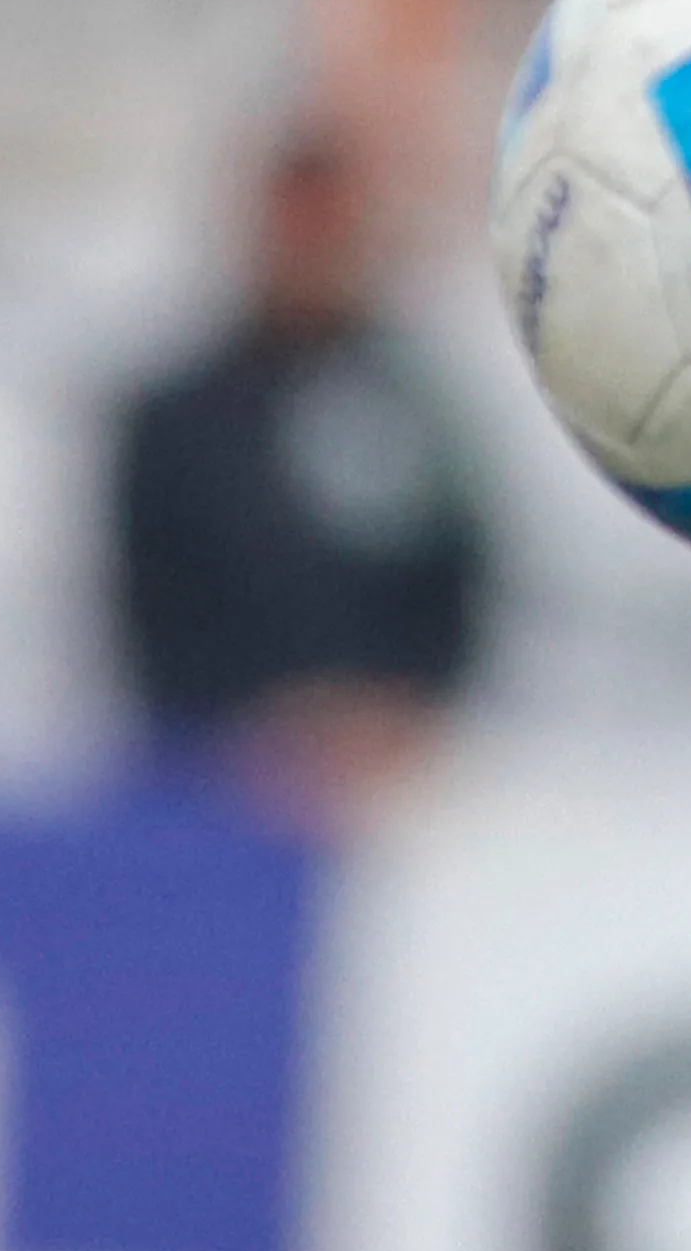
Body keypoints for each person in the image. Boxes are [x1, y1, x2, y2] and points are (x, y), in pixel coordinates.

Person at [110, 118, 493, 824]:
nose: (313, 247)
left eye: (332, 224)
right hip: (215, 796)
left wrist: (394, 717)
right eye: (297, 221)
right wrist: (257, 731)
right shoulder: (177, 417)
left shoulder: (414, 404)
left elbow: (461, 586)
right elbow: (147, 613)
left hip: (391, 802)